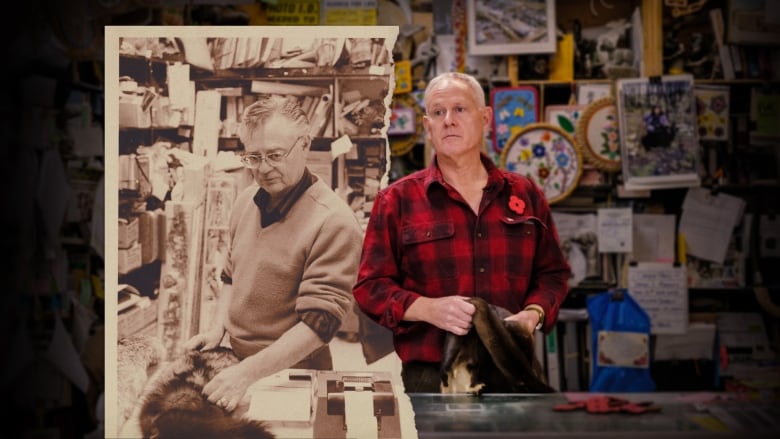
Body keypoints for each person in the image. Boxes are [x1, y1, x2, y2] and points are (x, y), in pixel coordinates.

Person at [352, 72, 571, 393]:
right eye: (438, 113)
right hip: (428, 379)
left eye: (460, 110)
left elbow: (553, 274)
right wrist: (427, 308)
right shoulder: (397, 200)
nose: (448, 121)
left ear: (485, 119)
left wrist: (532, 315)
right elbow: (370, 288)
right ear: (427, 127)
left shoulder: (525, 195)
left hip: (513, 370)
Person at [183, 94, 364, 412]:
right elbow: (231, 274)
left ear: (305, 144)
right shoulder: (246, 200)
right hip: (238, 364)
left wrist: (246, 374)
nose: (263, 169)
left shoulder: (333, 221)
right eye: (253, 157)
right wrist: (217, 328)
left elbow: (318, 325)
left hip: (297, 373)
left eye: (275, 155)